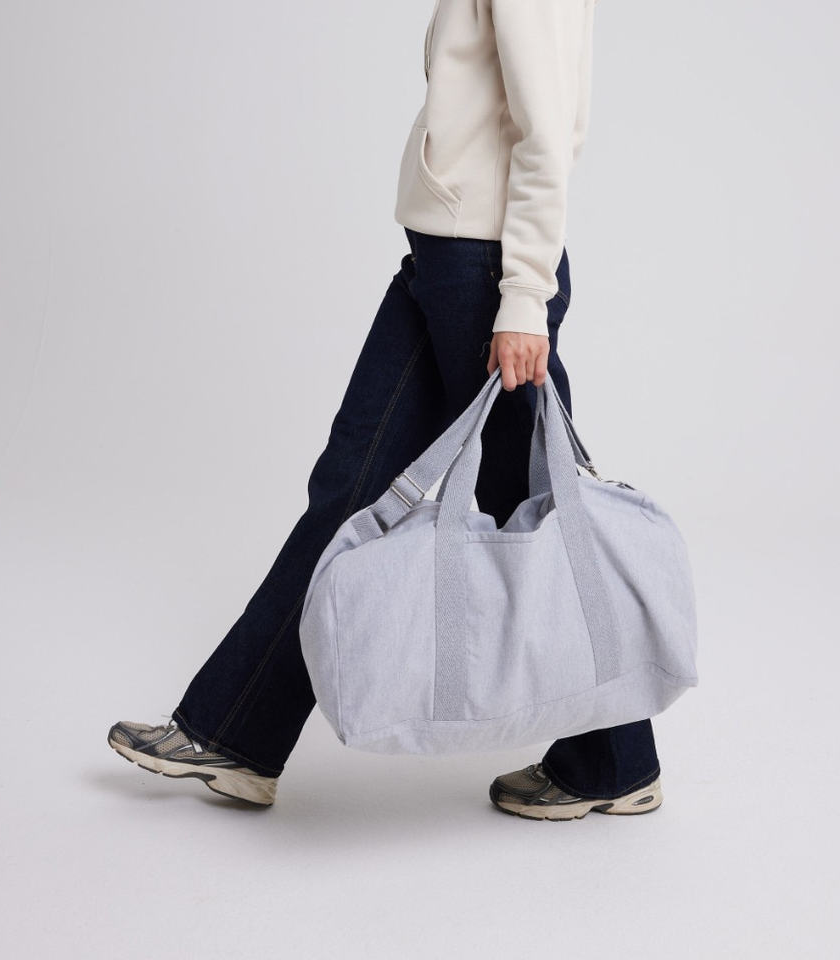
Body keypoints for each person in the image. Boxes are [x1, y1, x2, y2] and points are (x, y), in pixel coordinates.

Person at [108, 0, 662, 821]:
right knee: (351, 488)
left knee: (539, 511)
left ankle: (615, 760)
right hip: (445, 259)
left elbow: (546, 132)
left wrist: (523, 297)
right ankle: (235, 733)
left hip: (488, 270)